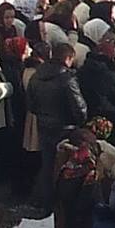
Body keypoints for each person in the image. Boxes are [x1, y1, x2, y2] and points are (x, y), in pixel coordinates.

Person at [27, 42, 87, 212]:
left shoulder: (36, 76)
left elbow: (31, 105)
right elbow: (79, 108)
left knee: (47, 164)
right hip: (66, 128)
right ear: (68, 58)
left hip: (44, 126)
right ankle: (63, 204)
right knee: (66, 166)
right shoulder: (67, 79)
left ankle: (47, 202)